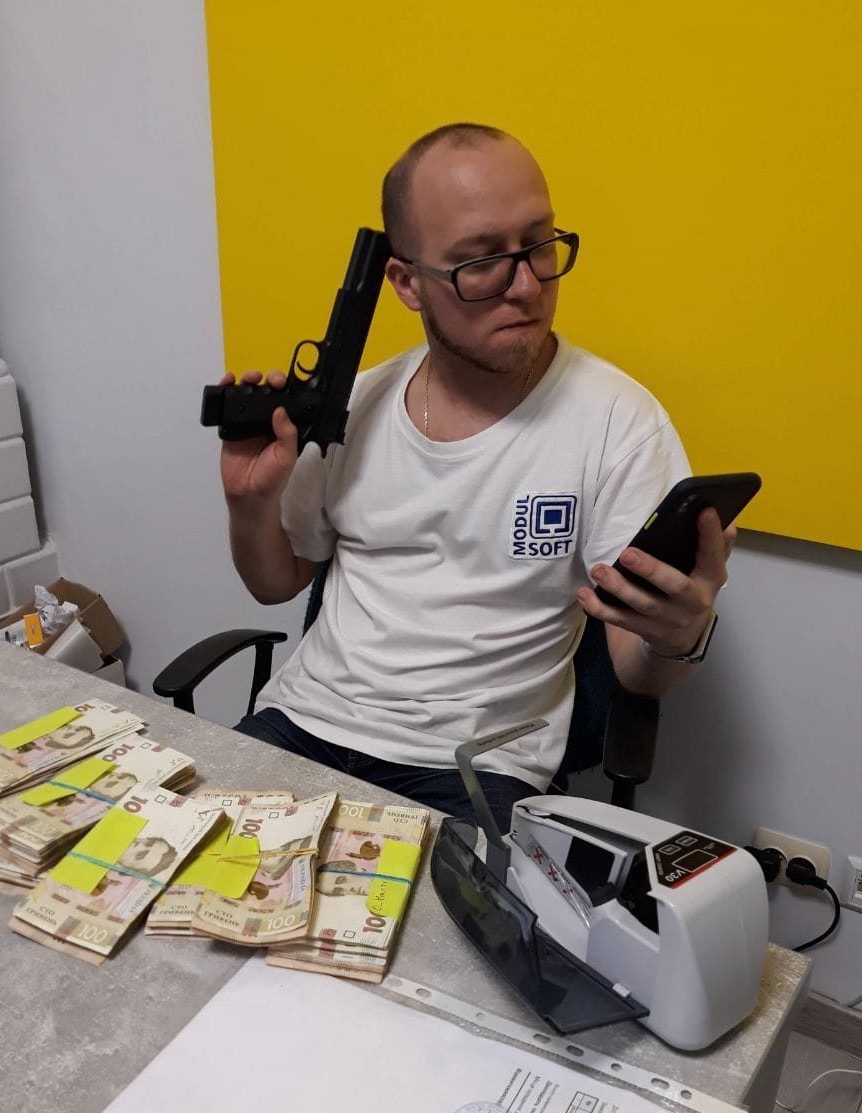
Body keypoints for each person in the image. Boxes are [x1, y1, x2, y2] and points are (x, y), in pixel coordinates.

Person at [221, 124, 732, 830]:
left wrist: (678, 635)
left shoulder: (619, 422)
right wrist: (249, 505)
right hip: (303, 722)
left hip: (472, 769)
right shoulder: (357, 404)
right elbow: (276, 582)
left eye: (540, 245)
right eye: (482, 262)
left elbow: (637, 671)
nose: (526, 287)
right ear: (407, 283)